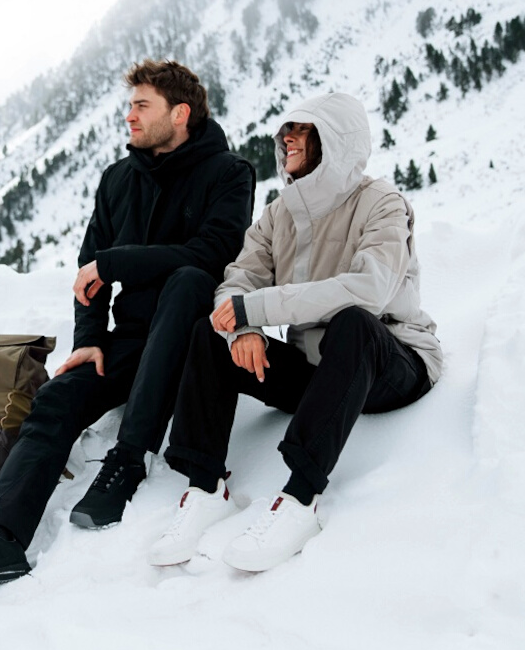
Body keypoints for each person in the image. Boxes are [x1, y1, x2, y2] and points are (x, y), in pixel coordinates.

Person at [0, 60, 255, 596]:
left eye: (142, 105)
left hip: (191, 342)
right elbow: (88, 271)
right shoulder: (118, 180)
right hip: (129, 340)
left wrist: (117, 263)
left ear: (180, 113)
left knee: (189, 278)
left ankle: (127, 461)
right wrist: (90, 338)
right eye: (130, 105)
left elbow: (212, 253)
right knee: (57, 398)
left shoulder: (230, 173)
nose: (130, 116)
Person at [147, 91, 442, 573]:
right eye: (287, 129)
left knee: (353, 322)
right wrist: (241, 328)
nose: (288, 138)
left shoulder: (382, 203)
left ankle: (300, 499)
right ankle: (205, 489)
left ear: (336, 141)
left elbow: (369, 290)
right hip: (319, 371)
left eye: (303, 129)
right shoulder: (279, 214)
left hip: (392, 361)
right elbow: (236, 283)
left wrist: (255, 308)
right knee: (210, 332)